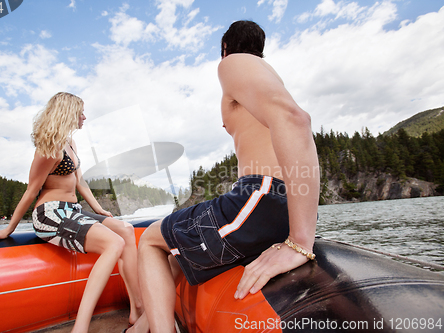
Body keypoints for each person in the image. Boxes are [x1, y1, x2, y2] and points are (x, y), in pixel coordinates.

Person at [126, 20, 320, 333]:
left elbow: (295, 119)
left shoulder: (235, 64)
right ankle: (142, 327)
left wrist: (300, 242)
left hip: (259, 196)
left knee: (150, 239)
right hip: (276, 200)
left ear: (225, 48)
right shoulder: (266, 81)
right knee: (176, 250)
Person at [0, 92, 143, 333]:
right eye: (80, 112)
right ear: (68, 113)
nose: (84, 117)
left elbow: (80, 183)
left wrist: (99, 209)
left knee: (125, 229)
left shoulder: (71, 143)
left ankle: (137, 307)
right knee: (113, 243)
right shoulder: (48, 148)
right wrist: (9, 229)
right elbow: (31, 191)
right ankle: (79, 329)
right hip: (50, 214)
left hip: (73, 210)